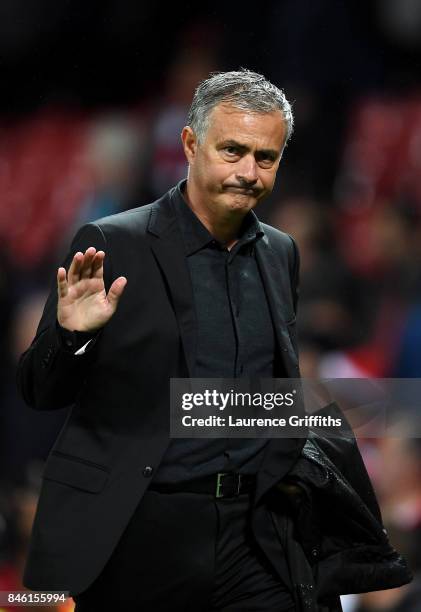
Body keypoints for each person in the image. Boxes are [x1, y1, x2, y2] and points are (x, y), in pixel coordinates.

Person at [17, 70, 411, 612]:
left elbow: (273, 387)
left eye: (265, 157)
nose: (248, 172)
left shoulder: (281, 253)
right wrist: (71, 337)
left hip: (258, 533)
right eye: (232, 150)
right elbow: (40, 390)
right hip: (142, 528)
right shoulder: (113, 243)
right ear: (189, 144)